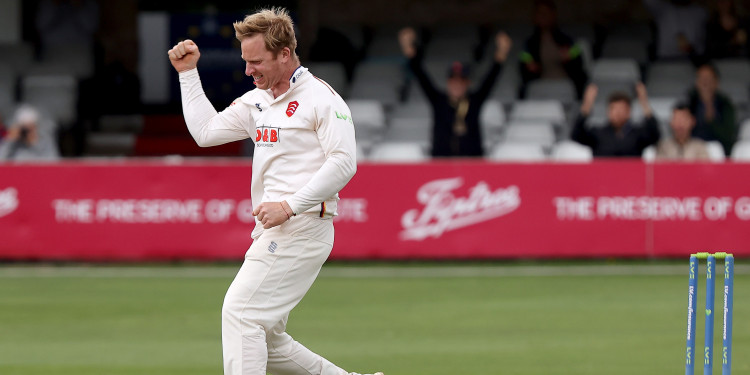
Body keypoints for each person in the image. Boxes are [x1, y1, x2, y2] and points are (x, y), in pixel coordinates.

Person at [168, 8, 381, 375]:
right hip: (274, 229)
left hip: (303, 226)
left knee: (241, 313)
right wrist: (188, 74)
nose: (248, 71)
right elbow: (206, 133)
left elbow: (344, 163)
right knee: (266, 336)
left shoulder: (322, 99)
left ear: (285, 54)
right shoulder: (257, 101)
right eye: (245, 62)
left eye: (256, 62)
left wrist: (290, 205)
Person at [398, 27, 512, 157]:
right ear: (448, 83)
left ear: (467, 83)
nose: (456, 85)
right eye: (453, 81)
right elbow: (421, 76)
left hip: (472, 164)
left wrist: (502, 52)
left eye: (460, 81)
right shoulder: (438, 100)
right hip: (441, 163)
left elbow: (491, 78)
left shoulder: (475, 100)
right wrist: (408, 48)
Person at [519, 0, 588, 98]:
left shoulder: (566, 40)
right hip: (540, 86)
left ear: (553, 15)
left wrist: (569, 58)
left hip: (565, 85)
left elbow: (579, 63)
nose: (543, 16)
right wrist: (531, 67)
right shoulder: (529, 43)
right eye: (540, 13)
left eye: (546, 13)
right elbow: (524, 64)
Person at [571, 83, 661, 157]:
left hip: (631, 176)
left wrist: (644, 103)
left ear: (629, 112)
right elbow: (576, 135)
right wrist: (587, 105)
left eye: (621, 109)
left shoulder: (638, 134)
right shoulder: (597, 133)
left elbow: (655, 135)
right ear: (608, 111)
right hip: (602, 176)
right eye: (614, 109)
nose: (617, 113)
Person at [687, 63, 736, 155]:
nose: (705, 83)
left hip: (722, 153)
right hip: (693, 153)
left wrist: (711, 120)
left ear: (716, 82)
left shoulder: (726, 105)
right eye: (701, 78)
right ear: (696, 82)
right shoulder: (690, 104)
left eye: (708, 79)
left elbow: (729, 135)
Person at [643, 0, 707, 60]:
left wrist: (692, 51)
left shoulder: (699, 12)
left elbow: (701, 42)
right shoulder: (662, 9)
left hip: (690, 61)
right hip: (665, 61)